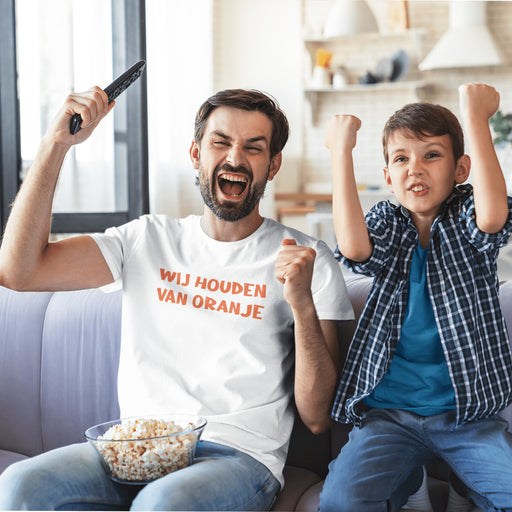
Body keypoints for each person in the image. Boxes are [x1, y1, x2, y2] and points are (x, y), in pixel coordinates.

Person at [0, 86, 354, 510]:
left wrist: (301, 302)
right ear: (195, 153)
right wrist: (55, 145)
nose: (235, 158)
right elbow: (19, 272)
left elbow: (318, 418)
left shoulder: (305, 259)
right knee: (19, 484)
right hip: (132, 449)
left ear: (273, 164)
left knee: (163, 503)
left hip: (237, 458)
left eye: (253, 148)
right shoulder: (146, 239)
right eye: (220, 142)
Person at [320, 83, 512, 512]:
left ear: (460, 168)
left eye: (431, 155)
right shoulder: (389, 222)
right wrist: (341, 151)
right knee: (340, 501)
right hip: (389, 415)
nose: (415, 169)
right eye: (401, 159)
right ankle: (409, 479)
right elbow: (353, 248)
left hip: (468, 414)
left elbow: (493, 215)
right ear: (388, 176)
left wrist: (476, 118)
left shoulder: (467, 218)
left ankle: (464, 480)